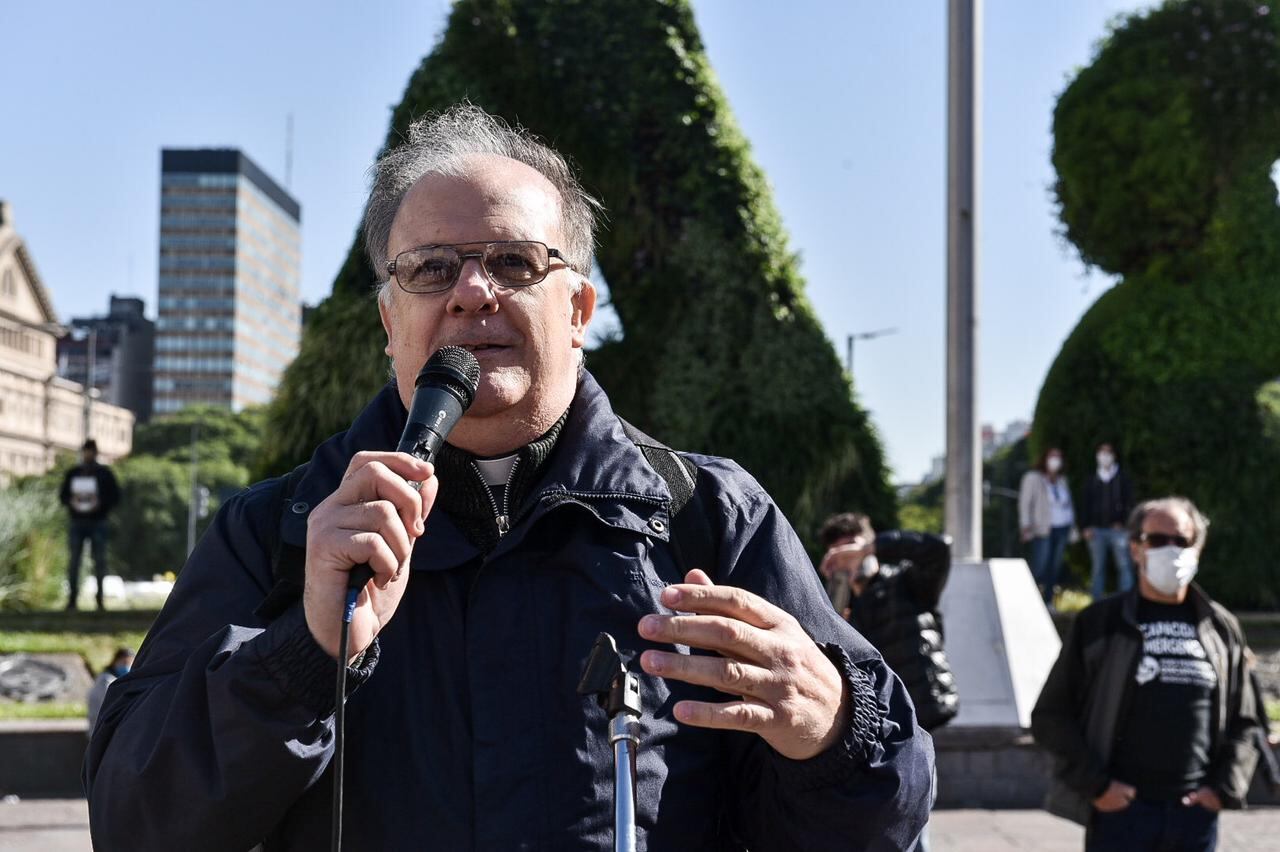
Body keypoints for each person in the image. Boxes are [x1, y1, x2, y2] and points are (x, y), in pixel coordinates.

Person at [85, 104, 933, 851]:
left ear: (578, 311)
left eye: (516, 263)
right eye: (430, 269)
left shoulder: (711, 519)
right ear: (391, 321)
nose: (472, 292)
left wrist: (831, 732)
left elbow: (882, 819)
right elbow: (135, 822)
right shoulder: (277, 532)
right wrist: (302, 656)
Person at [1031, 496, 1261, 852]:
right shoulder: (1100, 623)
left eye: (1181, 541)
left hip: (1194, 816)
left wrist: (1223, 788)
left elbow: (1246, 720)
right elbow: (1051, 715)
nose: (1170, 550)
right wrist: (1098, 787)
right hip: (1121, 815)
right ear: (1136, 549)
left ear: (1197, 550)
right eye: (1157, 540)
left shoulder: (1220, 627)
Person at [816, 513, 959, 733]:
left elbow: (939, 549)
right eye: (838, 553)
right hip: (883, 729)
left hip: (930, 718)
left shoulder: (905, 581)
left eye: (851, 548)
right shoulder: (841, 611)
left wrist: (868, 550)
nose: (847, 559)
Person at [58, 439, 121, 611]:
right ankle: (72, 600)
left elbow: (115, 496)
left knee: (100, 561)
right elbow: (63, 496)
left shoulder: (104, 473)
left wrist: (100, 503)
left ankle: (99, 599)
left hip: (98, 521)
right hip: (77, 521)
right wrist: (72, 501)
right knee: (74, 562)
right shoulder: (74, 473)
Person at [1018, 447, 1075, 608]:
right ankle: (1029, 601)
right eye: (1052, 456)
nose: (1055, 459)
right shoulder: (1033, 478)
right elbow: (1025, 502)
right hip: (1042, 529)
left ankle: (1048, 601)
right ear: (1044, 458)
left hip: (1062, 528)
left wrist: (1072, 527)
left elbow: (1068, 505)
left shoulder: (1062, 480)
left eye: (1058, 456)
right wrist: (1025, 525)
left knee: (1054, 567)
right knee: (1039, 566)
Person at [1080, 442, 1136, 600]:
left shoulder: (1122, 478)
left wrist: (1124, 523)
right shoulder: (1092, 479)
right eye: (1101, 452)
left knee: (1124, 567)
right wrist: (1085, 527)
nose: (1105, 455)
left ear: (1114, 455)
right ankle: (1096, 604)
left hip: (1118, 531)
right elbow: (1085, 504)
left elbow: (1130, 503)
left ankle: (1126, 602)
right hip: (1096, 531)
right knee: (1098, 568)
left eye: (1108, 452)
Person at [86, 648, 134, 733]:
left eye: (130, 664)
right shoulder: (105, 680)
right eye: (124, 663)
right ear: (115, 661)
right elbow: (112, 706)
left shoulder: (117, 680)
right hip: (102, 730)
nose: (127, 667)